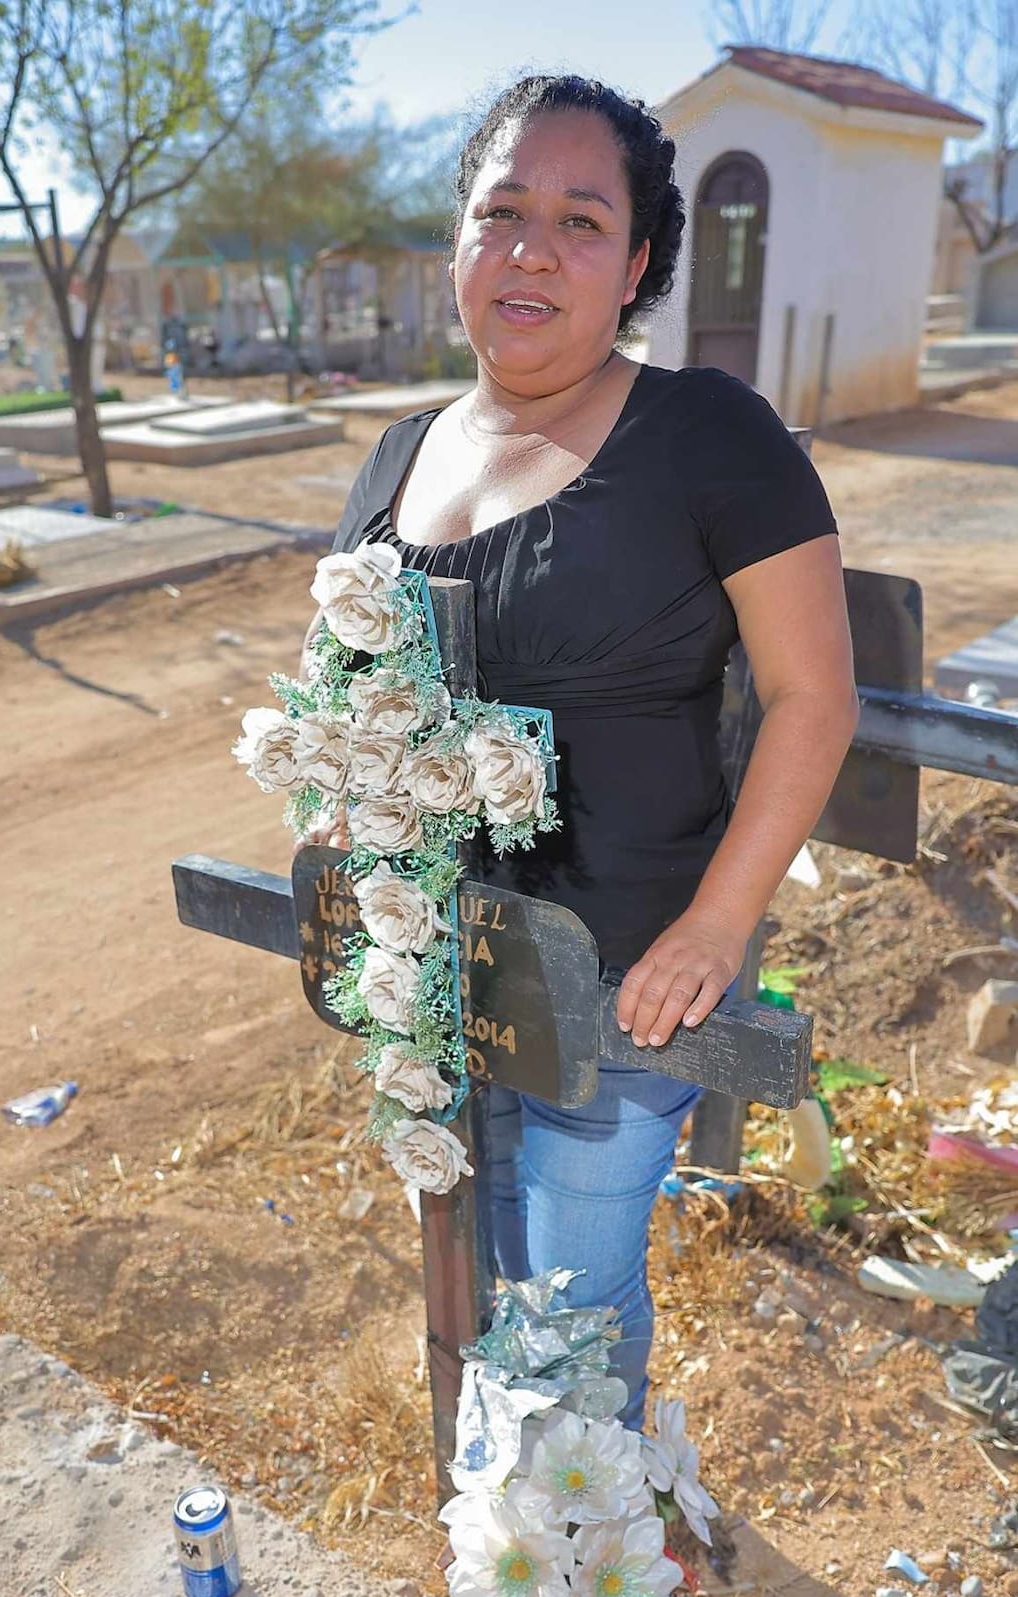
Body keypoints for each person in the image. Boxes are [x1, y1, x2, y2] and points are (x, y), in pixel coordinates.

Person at [319, 73, 858, 1428]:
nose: (532, 249)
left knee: (572, 1293)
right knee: (479, 1254)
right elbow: (357, 697)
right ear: (458, 243)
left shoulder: (707, 434)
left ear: (638, 262)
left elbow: (812, 696)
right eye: (501, 212)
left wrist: (720, 928)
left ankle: (583, 1545)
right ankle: (510, 1529)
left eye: (578, 218)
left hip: (627, 982)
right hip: (442, 967)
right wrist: (346, 815)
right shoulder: (394, 457)